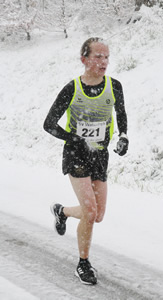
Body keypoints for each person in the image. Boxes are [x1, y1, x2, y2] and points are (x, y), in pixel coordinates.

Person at [43, 37, 128, 285]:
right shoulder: (72, 89)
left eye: (106, 57)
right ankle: (83, 263)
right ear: (84, 59)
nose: (104, 62)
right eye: (98, 57)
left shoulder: (115, 86)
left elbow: (121, 113)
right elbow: (49, 124)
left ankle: (62, 212)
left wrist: (123, 136)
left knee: (97, 214)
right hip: (77, 154)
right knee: (90, 210)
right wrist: (74, 139)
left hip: (100, 155)